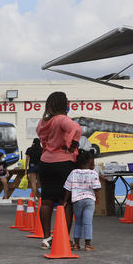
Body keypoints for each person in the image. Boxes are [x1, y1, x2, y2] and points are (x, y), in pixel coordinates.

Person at [36, 91, 82, 250]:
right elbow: (76, 128)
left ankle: (46, 238)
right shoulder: (62, 119)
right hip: (64, 163)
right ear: (64, 104)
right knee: (66, 202)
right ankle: (63, 237)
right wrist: (72, 144)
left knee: (47, 201)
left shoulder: (43, 122)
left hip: (46, 162)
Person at [63, 150, 101, 251]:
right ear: (90, 162)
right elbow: (97, 188)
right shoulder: (93, 173)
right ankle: (88, 245)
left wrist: (65, 201)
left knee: (78, 222)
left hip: (77, 200)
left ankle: (76, 244)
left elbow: (68, 188)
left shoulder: (73, 172)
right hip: (89, 200)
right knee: (88, 222)